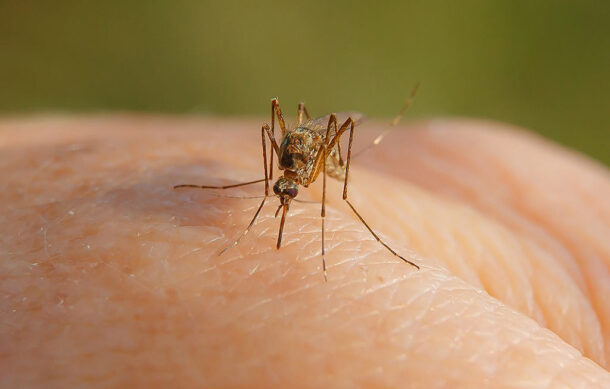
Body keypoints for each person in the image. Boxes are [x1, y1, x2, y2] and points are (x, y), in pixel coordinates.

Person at [1, 116, 609, 387]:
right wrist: (255, 185)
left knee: (321, 146)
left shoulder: (309, 167)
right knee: (281, 127)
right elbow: (279, 152)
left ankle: (351, 219)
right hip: (297, 147)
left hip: (320, 151)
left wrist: (322, 195)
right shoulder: (280, 163)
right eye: (283, 192)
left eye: (284, 192)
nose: (284, 197)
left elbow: (310, 155)